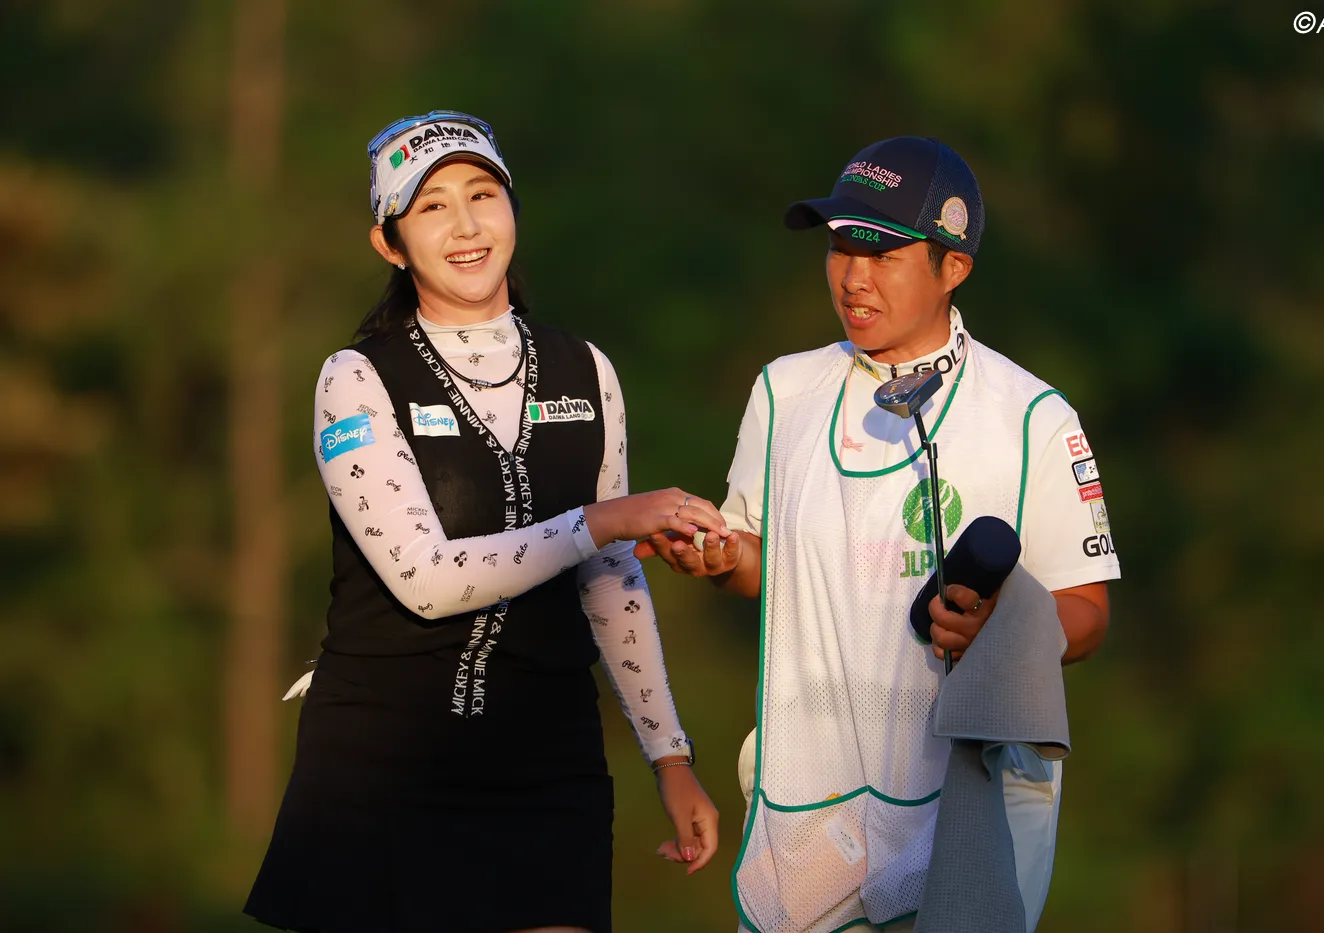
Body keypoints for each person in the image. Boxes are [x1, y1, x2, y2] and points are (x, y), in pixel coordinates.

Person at [244, 110, 728, 933]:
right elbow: (426, 580)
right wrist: (603, 518)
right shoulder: (355, 378)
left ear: (512, 208)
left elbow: (611, 580)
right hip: (384, 768)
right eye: (432, 206)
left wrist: (670, 757)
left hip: (548, 763)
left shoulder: (587, 369)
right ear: (390, 244)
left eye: (482, 194)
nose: (466, 225)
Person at [638, 137, 1121, 933]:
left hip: (968, 799)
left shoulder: (1035, 416)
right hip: (814, 800)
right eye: (841, 247)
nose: (853, 277)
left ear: (953, 266)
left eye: (883, 253)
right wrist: (718, 554)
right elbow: (762, 562)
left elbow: (1088, 611)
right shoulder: (784, 390)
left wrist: (1002, 628)